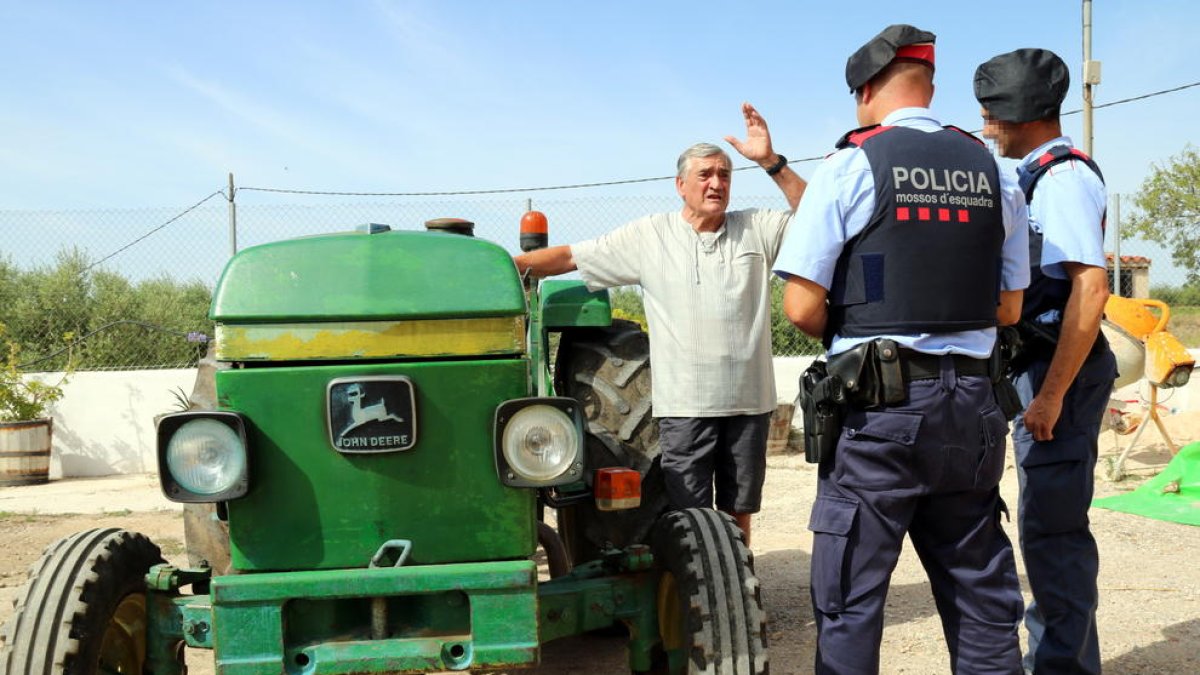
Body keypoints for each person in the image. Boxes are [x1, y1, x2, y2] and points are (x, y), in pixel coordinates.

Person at [773, 24, 1030, 673]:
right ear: (931, 86)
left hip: (878, 409)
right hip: (973, 408)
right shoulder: (995, 172)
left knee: (851, 601)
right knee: (980, 598)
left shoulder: (850, 166)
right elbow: (1009, 308)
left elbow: (801, 307)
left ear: (865, 91)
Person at [514, 103, 806, 544]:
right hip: (685, 405)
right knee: (688, 514)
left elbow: (819, 217)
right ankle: (692, 589)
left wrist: (771, 162)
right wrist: (508, 266)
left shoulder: (756, 229)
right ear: (680, 185)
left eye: (725, 175)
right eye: (706, 174)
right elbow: (572, 256)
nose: (716, 183)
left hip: (749, 402)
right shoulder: (650, 236)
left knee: (738, 509)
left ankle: (738, 586)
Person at [975, 48, 1117, 675]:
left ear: (1021, 115)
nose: (985, 125)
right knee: (1042, 526)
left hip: (1061, 369)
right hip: (1038, 362)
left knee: (1054, 533)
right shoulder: (1032, 173)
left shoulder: (1061, 180)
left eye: (991, 113)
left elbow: (1090, 288)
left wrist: (1052, 394)